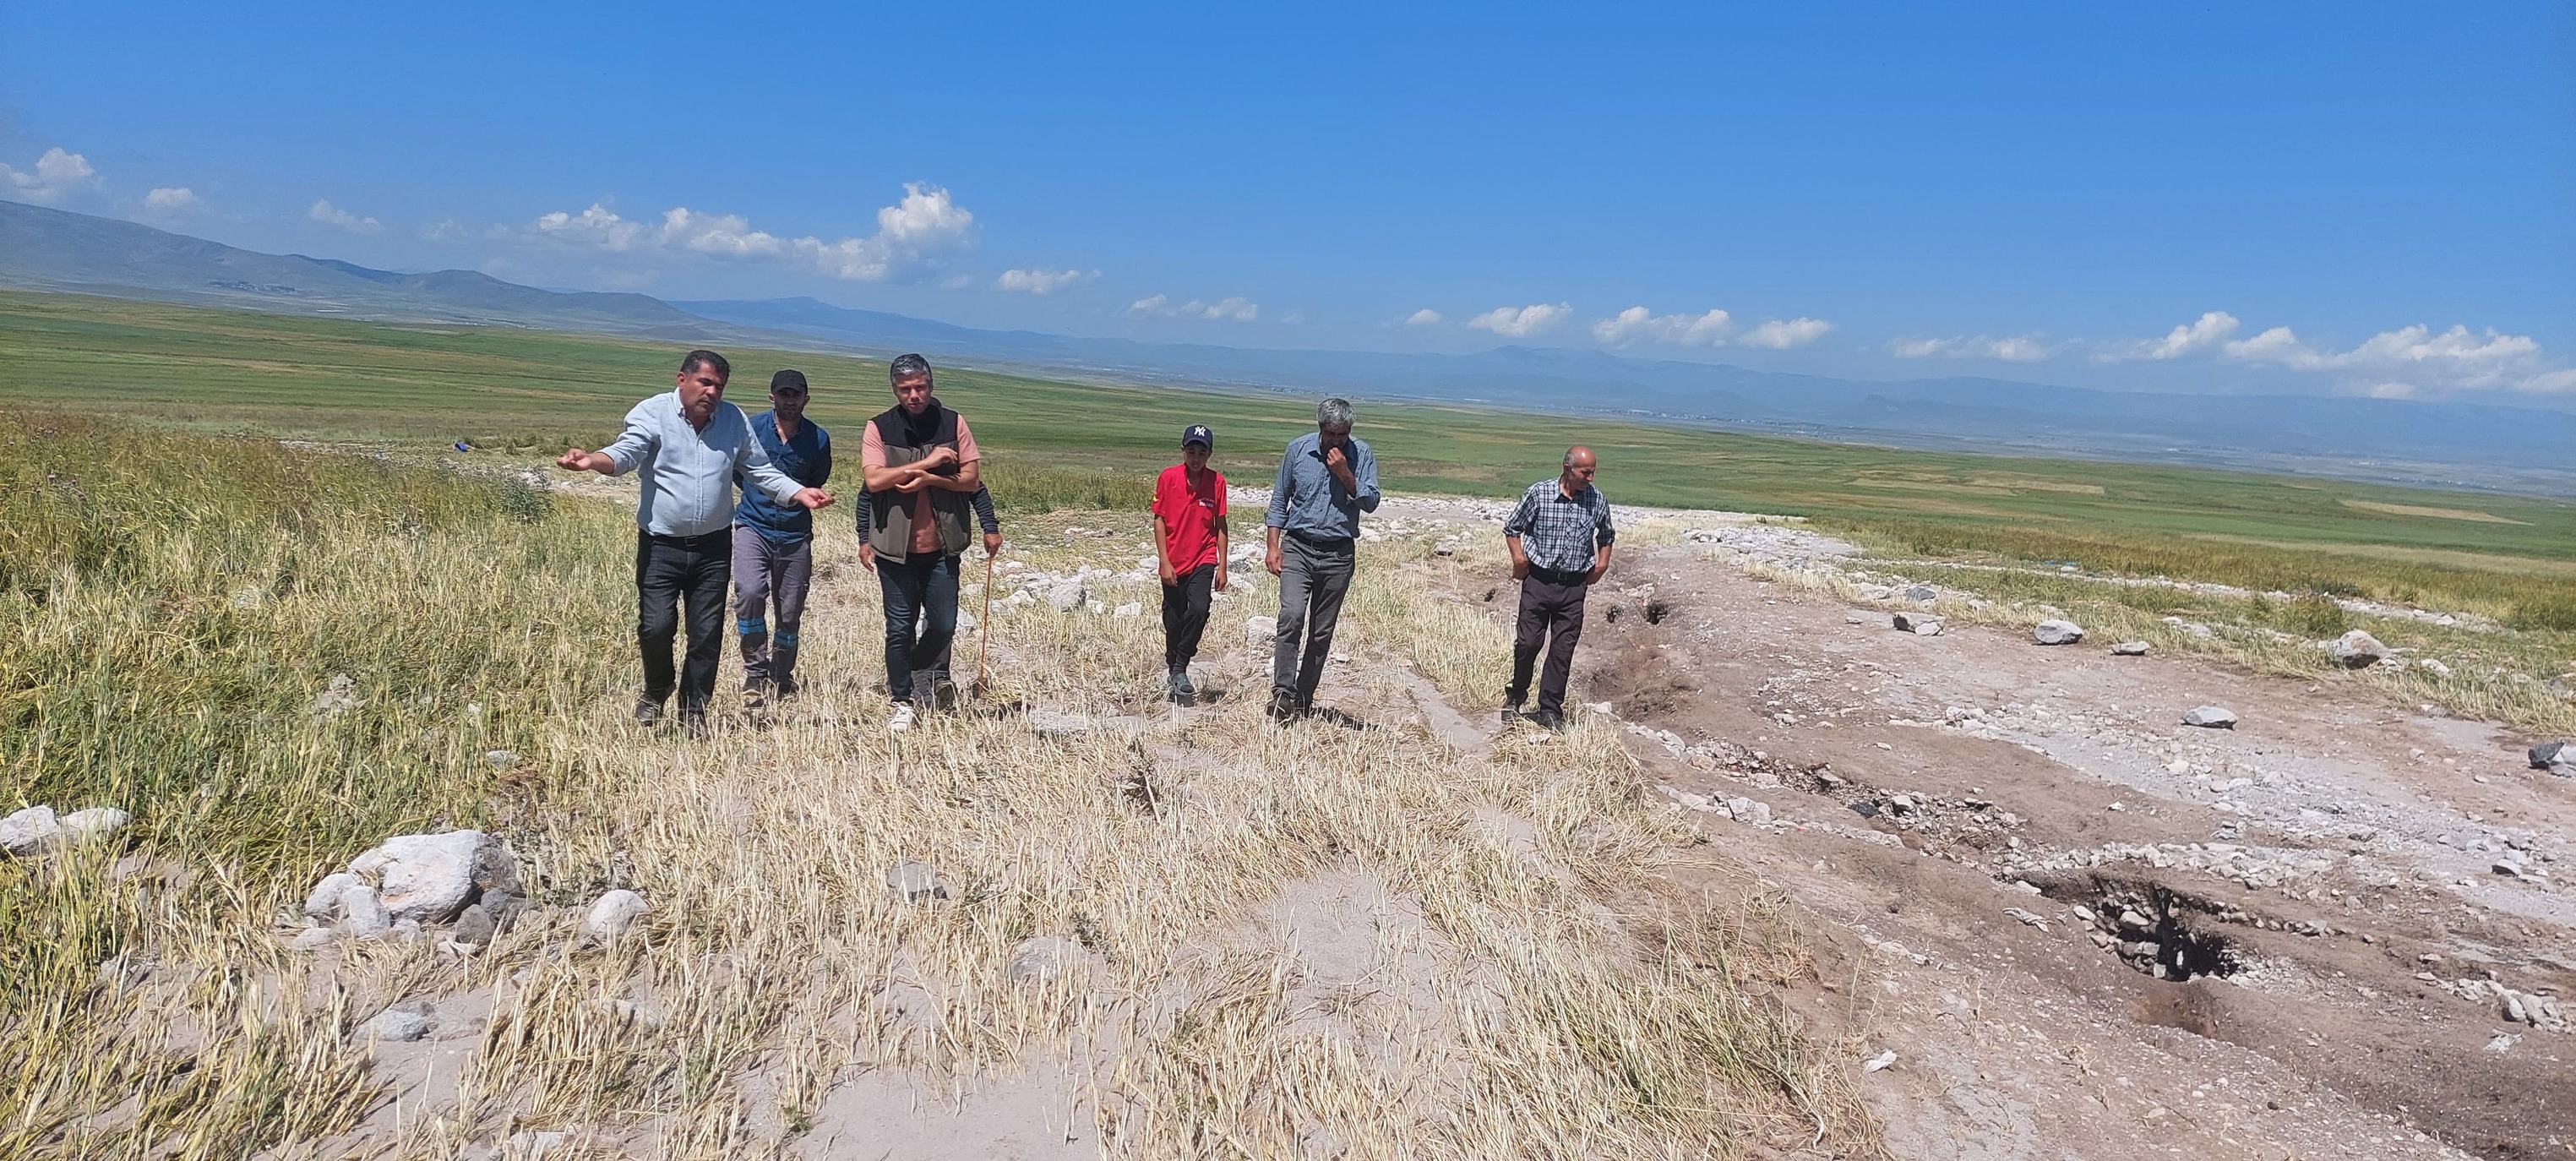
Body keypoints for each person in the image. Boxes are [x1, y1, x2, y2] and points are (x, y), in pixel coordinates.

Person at [557, 350, 833, 730]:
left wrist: (797, 493)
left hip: (713, 546)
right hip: (661, 546)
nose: (712, 392)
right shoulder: (653, 413)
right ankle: (657, 688)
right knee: (656, 627)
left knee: (705, 634)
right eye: (705, 382)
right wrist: (592, 460)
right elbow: (625, 453)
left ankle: (694, 711)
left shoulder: (733, 420)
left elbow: (759, 470)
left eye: (719, 385)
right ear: (682, 379)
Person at [860, 353, 981, 733]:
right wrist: (927, 463)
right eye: (905, 389)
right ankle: (902, 699)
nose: (914, 395)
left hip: (942, 546)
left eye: (920, 387)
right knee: (899, 627)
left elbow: (971, 481)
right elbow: (875, 481)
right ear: (894, 390)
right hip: (895, 549)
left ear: (931, 384)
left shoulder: (953, 423)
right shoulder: (879, 428)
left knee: (944, 624)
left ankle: (911, 667)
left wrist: (930, 481)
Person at [1261, 398, 1379, 722]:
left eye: (1344, 434)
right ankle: (1282, 691)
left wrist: (1345, 474)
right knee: (1292, 615)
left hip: (1338, 554)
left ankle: (1302, 697)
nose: (1338, 440)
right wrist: (1273, 546)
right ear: (1320, 429)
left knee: (1321, 632)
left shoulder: (1362, 455)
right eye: (1332, 434)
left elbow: (1371, 502)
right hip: (1298, 546)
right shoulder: (1298, 451)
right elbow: (1278, 500)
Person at [732, 368, 831, 709]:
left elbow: (816, 479)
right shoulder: (752, 430)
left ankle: (782, 673)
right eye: (784, 394)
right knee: (749, 593)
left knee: (790, 611)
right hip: (753, 525)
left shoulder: (818, 439)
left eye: (796, 394)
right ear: (771, 396)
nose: (790, 400)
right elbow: (739, 473)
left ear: (806, 398)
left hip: (794, 533)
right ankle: (755, 673)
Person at [1500, 445, 1615, 730]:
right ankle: (1516, 696)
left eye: (1593, 472)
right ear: (1567, 468)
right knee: (1528, 644)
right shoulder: (1539, 494)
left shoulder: (1596, 500)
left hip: (1574, 587)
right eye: (1585, 472)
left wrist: (1602, 564)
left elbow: (1607, 534)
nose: (1591, 478)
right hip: (1539, 581)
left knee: (1562, 650)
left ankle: (1550, 709)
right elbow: (1512, 528)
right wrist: (1519, 558)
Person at [1152, 425, 1228, 703]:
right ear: (1182, 450)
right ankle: (1173, 661)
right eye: (1191, 451)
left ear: (1210, 454)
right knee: (1173, 618)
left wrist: (1221, 565)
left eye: (1202, 452)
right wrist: (1164, 560)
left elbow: (1220, 525)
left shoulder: (1217, 482)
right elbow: (1158, 519)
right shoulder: (1168, 478)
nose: (1196, 458)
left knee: (1199, 608)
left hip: (1203, 556)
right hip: (1173, 558)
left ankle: (1181, 665)